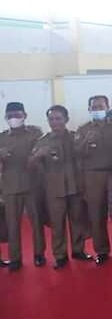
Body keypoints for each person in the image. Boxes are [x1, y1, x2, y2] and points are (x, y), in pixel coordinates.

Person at [29, 105, 91, 269]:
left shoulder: (75, 137)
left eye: (58, 118)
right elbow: (30, 165)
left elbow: (85, 156)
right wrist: (38, 155)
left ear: (66, 119)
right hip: (54, 189)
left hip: (75, 186)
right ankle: (60, 255)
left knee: (77, 221)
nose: (54, 122)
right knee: (57, 224)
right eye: (51, 119)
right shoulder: (42, 141)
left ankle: (78, 251)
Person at [74, 95, 112, 264]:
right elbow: (77, 153)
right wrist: (85, 142)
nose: (98, 109)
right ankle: (102, 250)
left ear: (107, 108)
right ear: (89, 109)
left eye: (101, 106)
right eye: (94, 107)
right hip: (92, 176)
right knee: (96, 214)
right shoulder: (83, 129)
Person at [0, 102, 45, 271]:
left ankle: (39, 254)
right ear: (5, 118)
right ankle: (15, 258)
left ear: (25, 115)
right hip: (10, 187)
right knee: (12, 225)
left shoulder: (35, 132)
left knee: (36, 223)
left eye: (17, 115)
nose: (14, 119)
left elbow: (40, 154)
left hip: (32, 185)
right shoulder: (1, 137)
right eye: (10, 116)